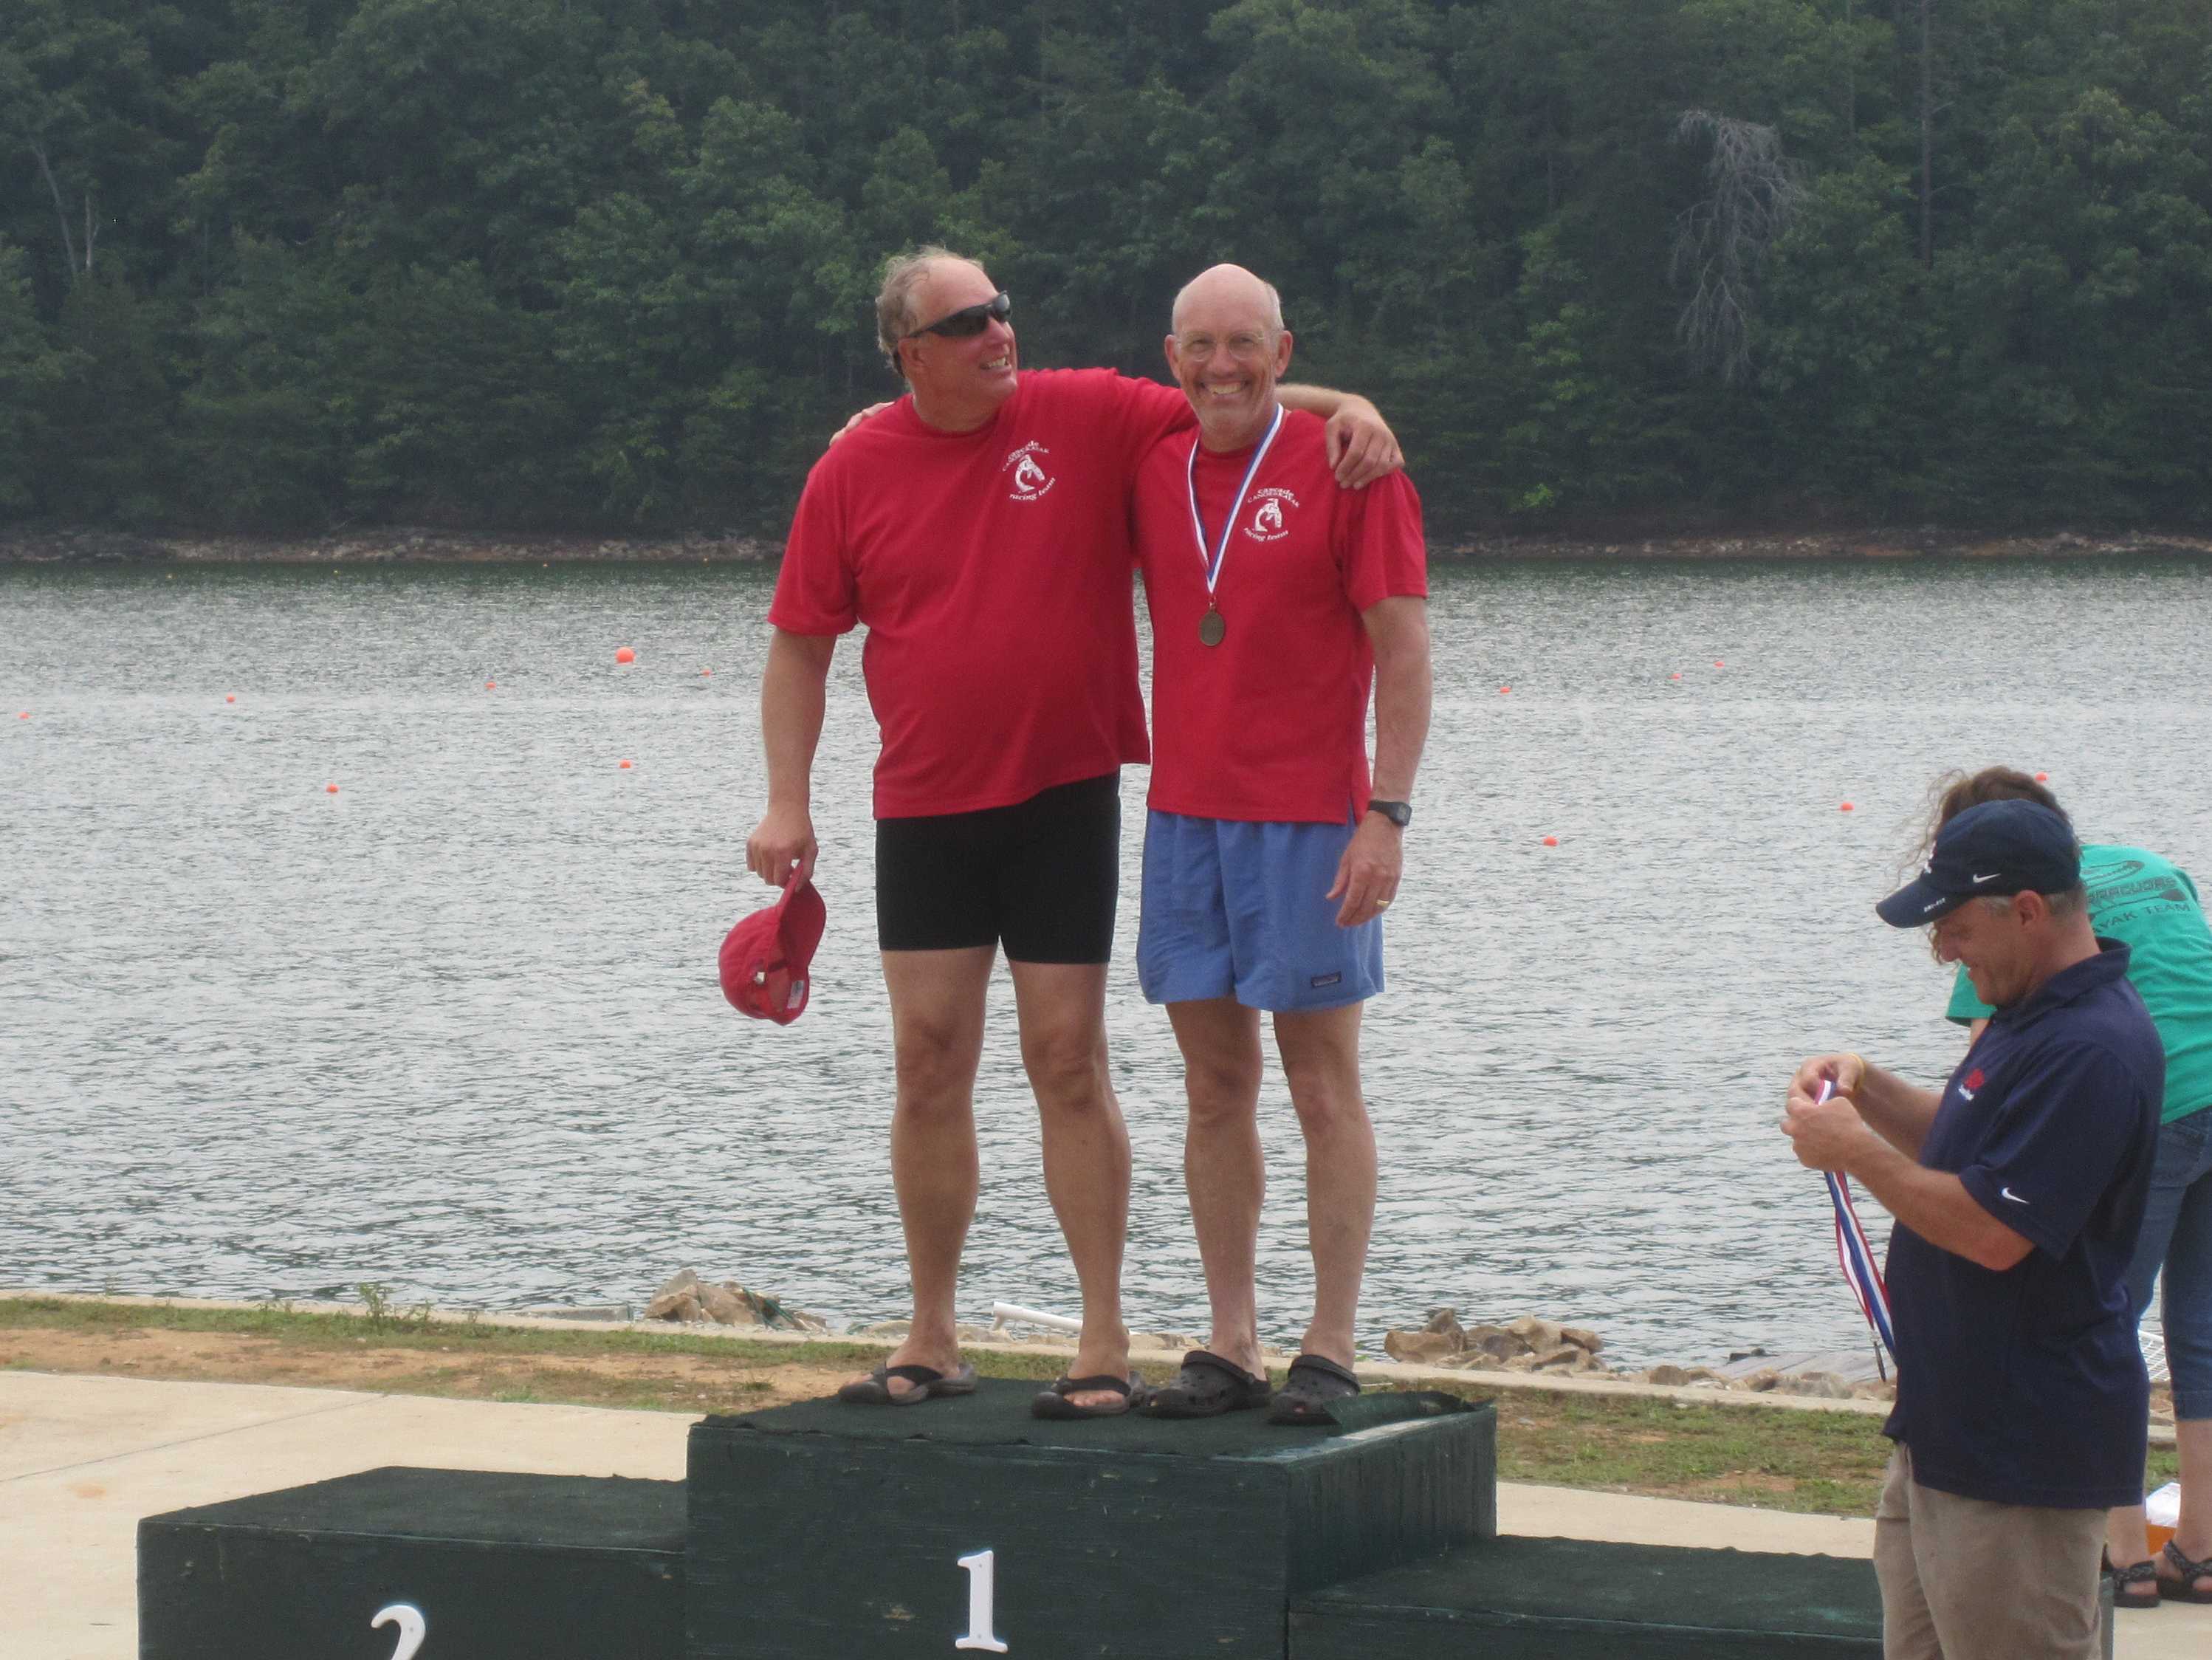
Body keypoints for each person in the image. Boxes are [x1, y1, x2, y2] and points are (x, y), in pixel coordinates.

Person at [744, 247, 1401, 1418]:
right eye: (971, 323)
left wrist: (1355, 406)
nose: (1001, 333)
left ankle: (1104, 1341)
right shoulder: (852, 467)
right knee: (929, 1062)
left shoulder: (1081, 412)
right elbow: (800, 642)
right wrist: (787, 798)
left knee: (1068, 1059)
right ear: (912, 353)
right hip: (926, 805)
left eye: (1003, 311)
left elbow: (1232, 394)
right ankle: (934, 1333)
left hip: (1067, 797)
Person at [1126, 264, 1431, 1426]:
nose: (1222, 367)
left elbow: (1403, 653)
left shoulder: (1355, 466)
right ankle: (1230, 1338)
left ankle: (1331, 1341)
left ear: (1285, 349)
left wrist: (1386, 814)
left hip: (1312, 819)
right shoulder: (1149, 458)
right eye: (1199, 346)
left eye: (1244, 344)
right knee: (1213, 1085)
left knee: (1320, 1082)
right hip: (1184, 816)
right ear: (1170, 358)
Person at [1782, 797, 2163, 1659]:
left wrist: (1853, 1154)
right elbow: (1968, 1156)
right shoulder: (2028, 1014)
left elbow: (1995, 1232)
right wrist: (1867, 1090)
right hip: (1948, 1430)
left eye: (1953, 927)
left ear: (2025, 911)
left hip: (2019, 1449)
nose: (1944, 950)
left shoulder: (2089, 1049)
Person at [1922, 768, 2212, 1608]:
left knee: (2100, 1314)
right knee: (2200, 1330)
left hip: (2147, 1102)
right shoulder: (2150, 866)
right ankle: (2196, 1549)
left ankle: (2120, 1551)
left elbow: (1992, 1076)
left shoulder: (2006, 925)